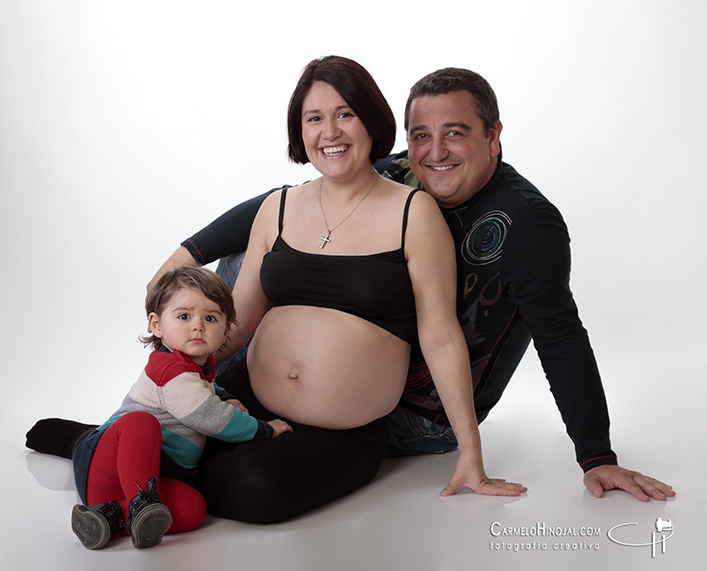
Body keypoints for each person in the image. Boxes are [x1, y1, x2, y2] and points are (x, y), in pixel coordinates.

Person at [27, 56, 525, 525]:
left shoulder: (413, 214)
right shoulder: (279, 208)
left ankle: (104, 455)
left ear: (371, 120)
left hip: (344, 431)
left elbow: (440, 338)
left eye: (344, 114)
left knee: (254, 488)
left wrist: (471, 455)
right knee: (176, 440)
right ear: (299, 131)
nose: (329, 132)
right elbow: (236, 325)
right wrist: (167, 382)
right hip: (246, 403)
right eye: (313, 119)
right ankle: (118, 452)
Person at [146, 67, 675, 503]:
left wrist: (596, 455)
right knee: (247, 261)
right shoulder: (403, 171)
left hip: (415, 411)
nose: (435, 152)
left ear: (494, 136)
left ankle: (168, 456)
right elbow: (285, 202)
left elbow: (560, 338)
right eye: (420, 135)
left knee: (241, 477)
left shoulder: (526, 225)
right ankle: (148, 424)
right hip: (282, 375)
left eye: (456, 132)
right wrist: (187, 254)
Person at [69, 267, 292, 549]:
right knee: (141, 423)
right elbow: (210, 417)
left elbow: (204, 391)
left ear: (225, 331)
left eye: (210, 318)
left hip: (150, 478)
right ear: (156, 325)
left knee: (193, 507)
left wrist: (224, 396)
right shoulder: (169, 371)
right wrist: (263, 430)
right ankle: (139, 505)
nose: (198, 325)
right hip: (106, 466)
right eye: (184, 316)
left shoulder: (194, 371)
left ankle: (111, 517)